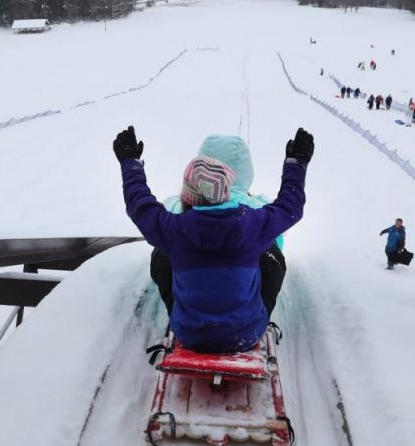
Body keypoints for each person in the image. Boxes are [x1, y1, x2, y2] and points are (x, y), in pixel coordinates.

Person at [114, 125, 313, 353]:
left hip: (189, 334)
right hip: (246, 332)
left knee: (161, 253)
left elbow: (140, 206)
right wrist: (296, 163)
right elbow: (290, 206)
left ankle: (181, 311)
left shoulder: (175, 229)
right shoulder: (252, 223)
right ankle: (251, 311)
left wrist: (130, 163)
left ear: (187, 195)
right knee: (271, 253)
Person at [151, 135, 289, 320]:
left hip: (191, 287)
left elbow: (156, 215)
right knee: (271, 249)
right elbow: (284, 219)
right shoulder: (259, 208)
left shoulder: (178, 206)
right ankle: (260, 315)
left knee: (162, 250)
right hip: (243, 290)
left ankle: (177, 312)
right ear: (246, 170)